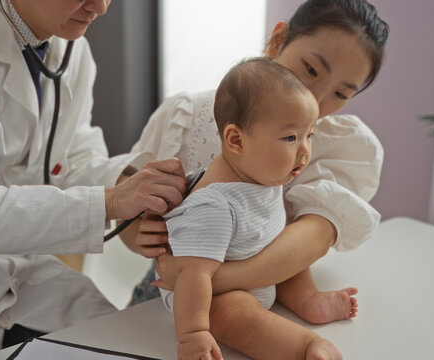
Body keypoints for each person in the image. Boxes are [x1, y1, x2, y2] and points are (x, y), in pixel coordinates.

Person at [0, 0, 187, 359]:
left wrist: (137, 191)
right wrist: (111, 201)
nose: (101, 7)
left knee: (137, 347)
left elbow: (71, 158)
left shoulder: (70, 49)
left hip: (20, 277)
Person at [124, 0, 388, 327]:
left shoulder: (339, 146)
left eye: (341, 94)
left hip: (271, 304)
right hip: (167, 305)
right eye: (310, 70)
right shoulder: (186, 115)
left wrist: (204, 278)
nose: (317, 100)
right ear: (278, 39)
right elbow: (128, 205)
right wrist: (140, 232)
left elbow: (315, 235)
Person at [164, 57, 345, 360]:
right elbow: (192, 277)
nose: (304, 150)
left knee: (290, 254)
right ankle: (305, 347)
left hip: (258, 273)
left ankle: (308, 299)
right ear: (236, 140)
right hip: (214, 296)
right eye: (290, 137)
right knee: (229, 313)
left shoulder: (263, 175)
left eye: (308, 135)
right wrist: (193, 335)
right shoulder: (214, 205)